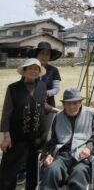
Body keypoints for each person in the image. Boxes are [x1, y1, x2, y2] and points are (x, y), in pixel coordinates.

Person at [0, 58, 59, 190]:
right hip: (16, 138)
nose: (33, 71)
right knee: (8, 172)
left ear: (39, 72)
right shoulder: (13, 89)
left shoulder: (42, 86)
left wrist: (54, 109)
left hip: (37, 139)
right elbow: (6, 114)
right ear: (24, 71)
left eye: (36, 69)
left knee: (33, 172)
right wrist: (6, 137)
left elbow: (41, 104)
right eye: (30, 68)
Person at [16, 41, 62, 185]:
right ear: (36, 55)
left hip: (48, 107)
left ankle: (40, 166)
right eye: (42, 53)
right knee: (27, 136)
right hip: (29, 108)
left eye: (47, 54)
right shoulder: (29, 69)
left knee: (42, 137)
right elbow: (23, 87)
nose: (44, 56)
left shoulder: (54, 70)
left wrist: (42, 93)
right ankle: (23, 169)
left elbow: (56, 89)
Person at [39, 88, 94, 190]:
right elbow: (54, 140)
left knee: (79, 174)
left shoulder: (91, 114)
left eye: (75, 103)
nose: (72, 107)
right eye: (68, 103)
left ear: (81, 102)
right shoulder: (58, 116)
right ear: (64, 104)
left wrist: (88, 148)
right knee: (51, 170)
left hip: (82, 157)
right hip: (62, 156)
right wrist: (49, 154)